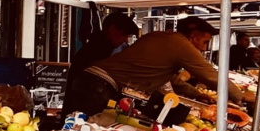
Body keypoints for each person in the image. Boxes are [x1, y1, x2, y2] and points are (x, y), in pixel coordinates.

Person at [67, 16, 249, 115]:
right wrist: (241, 97)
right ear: (193, 36)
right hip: (99, 85)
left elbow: (171, 79)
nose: (204, 48)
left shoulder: (164, 39)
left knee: (83, 125)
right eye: (205, 42)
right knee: (87, 130)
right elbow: (210, 75)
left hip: (92, 80)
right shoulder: (181, 45)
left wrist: (196, 94)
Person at [67, 12, 140, 82]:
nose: (125, 40)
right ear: (113, 29)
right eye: (124, 35)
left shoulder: (97, 46)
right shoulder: (97, 50)